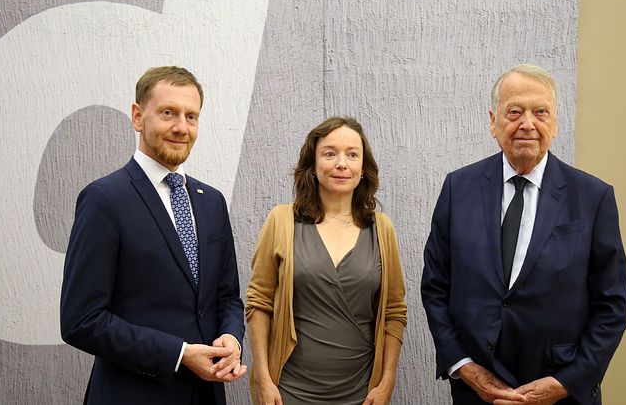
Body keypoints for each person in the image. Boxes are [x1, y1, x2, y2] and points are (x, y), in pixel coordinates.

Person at [421, 64, 626, 405]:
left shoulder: (593, 198)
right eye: (514, 112)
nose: (527, 124)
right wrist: (465, 367)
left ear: (556, 122)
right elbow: (435, 287)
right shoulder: (458, 189)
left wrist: (568, 381)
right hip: (476, 392)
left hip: (563, 392)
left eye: (541, 112)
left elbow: (613, 304)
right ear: (493, 121)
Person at [60, 66, 246, 405]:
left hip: (206, 396)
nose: (181, 127)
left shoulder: (212, 202)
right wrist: (179, 354)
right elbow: (82, 321)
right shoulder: (105, 199)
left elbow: (227, 297)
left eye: (192, 116)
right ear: (137, 116)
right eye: (168, 113)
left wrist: (231, 338)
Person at [245, 117, 407, 405]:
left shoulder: (382, 229)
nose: (342, 163)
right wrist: (263, 378)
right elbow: (259, 302)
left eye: (352, 154)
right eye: (330, 153)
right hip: (288, 389)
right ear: (313, 164)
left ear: (362, 167)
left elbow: (394, 312)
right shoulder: (281, 221)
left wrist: (387, 381)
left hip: (361, 390)